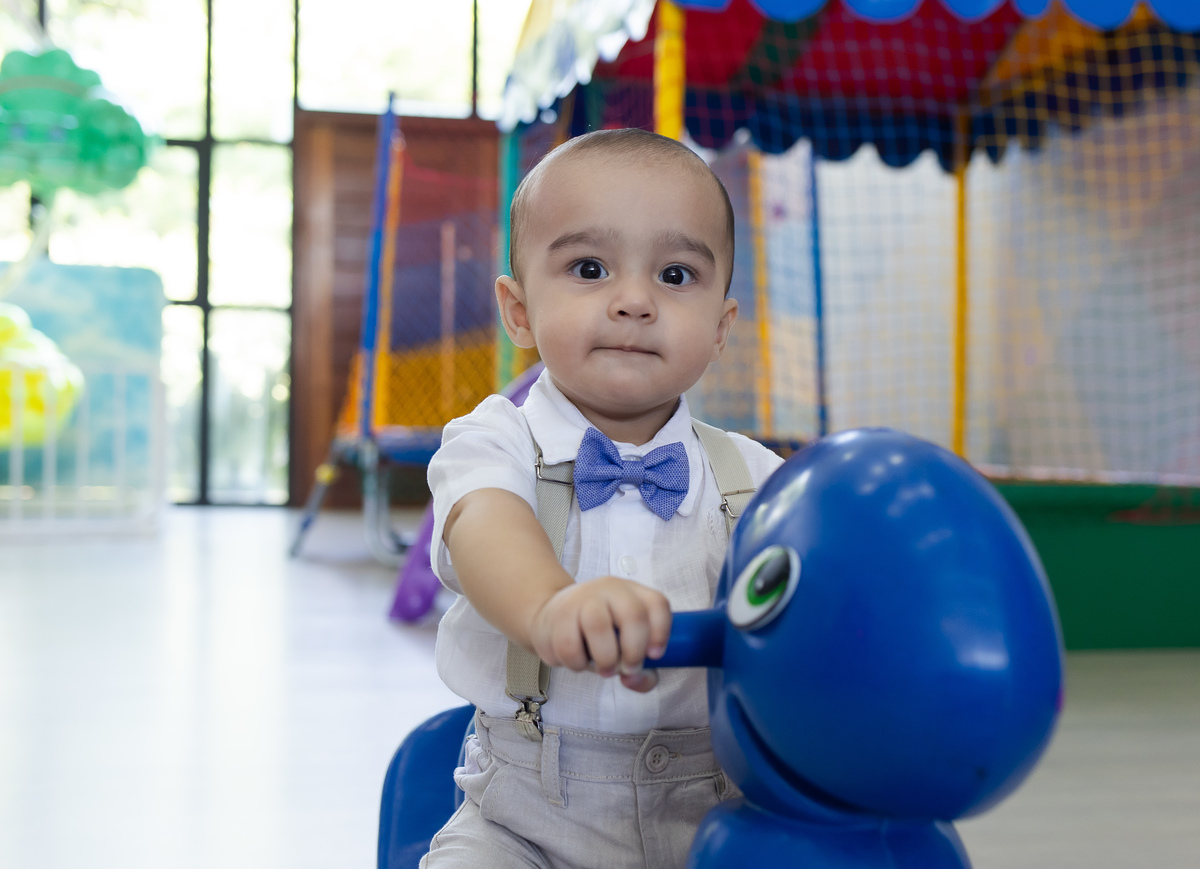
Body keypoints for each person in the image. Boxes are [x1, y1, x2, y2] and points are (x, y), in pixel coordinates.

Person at [421, 128, 783, 869]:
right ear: (518, 311)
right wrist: (549, 604)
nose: (634, 301)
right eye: (591, 268)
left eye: (676, 275)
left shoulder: (756, 478)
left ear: (720, 326)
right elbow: (483, 521)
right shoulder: (494, 442)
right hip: (522, 824)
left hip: (719, 818)